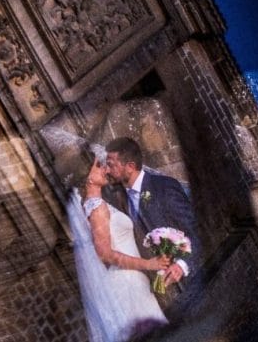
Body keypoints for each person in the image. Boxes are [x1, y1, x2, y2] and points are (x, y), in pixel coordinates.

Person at [65, 146, 169, 342]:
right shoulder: (97, 208)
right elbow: (105, 254)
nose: (105, 169)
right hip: (126, 283)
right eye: (98, 166)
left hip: (130, 279)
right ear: (86, 176)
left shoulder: (95, 204)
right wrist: (149, 264)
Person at [103, 137, 201, 319]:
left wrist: (181, 265)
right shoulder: (119, 198)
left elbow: (195, 230)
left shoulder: (164, 187)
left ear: (130, 166)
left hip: (188, 286)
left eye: (111, 164)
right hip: (156, 294)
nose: (107, 170)